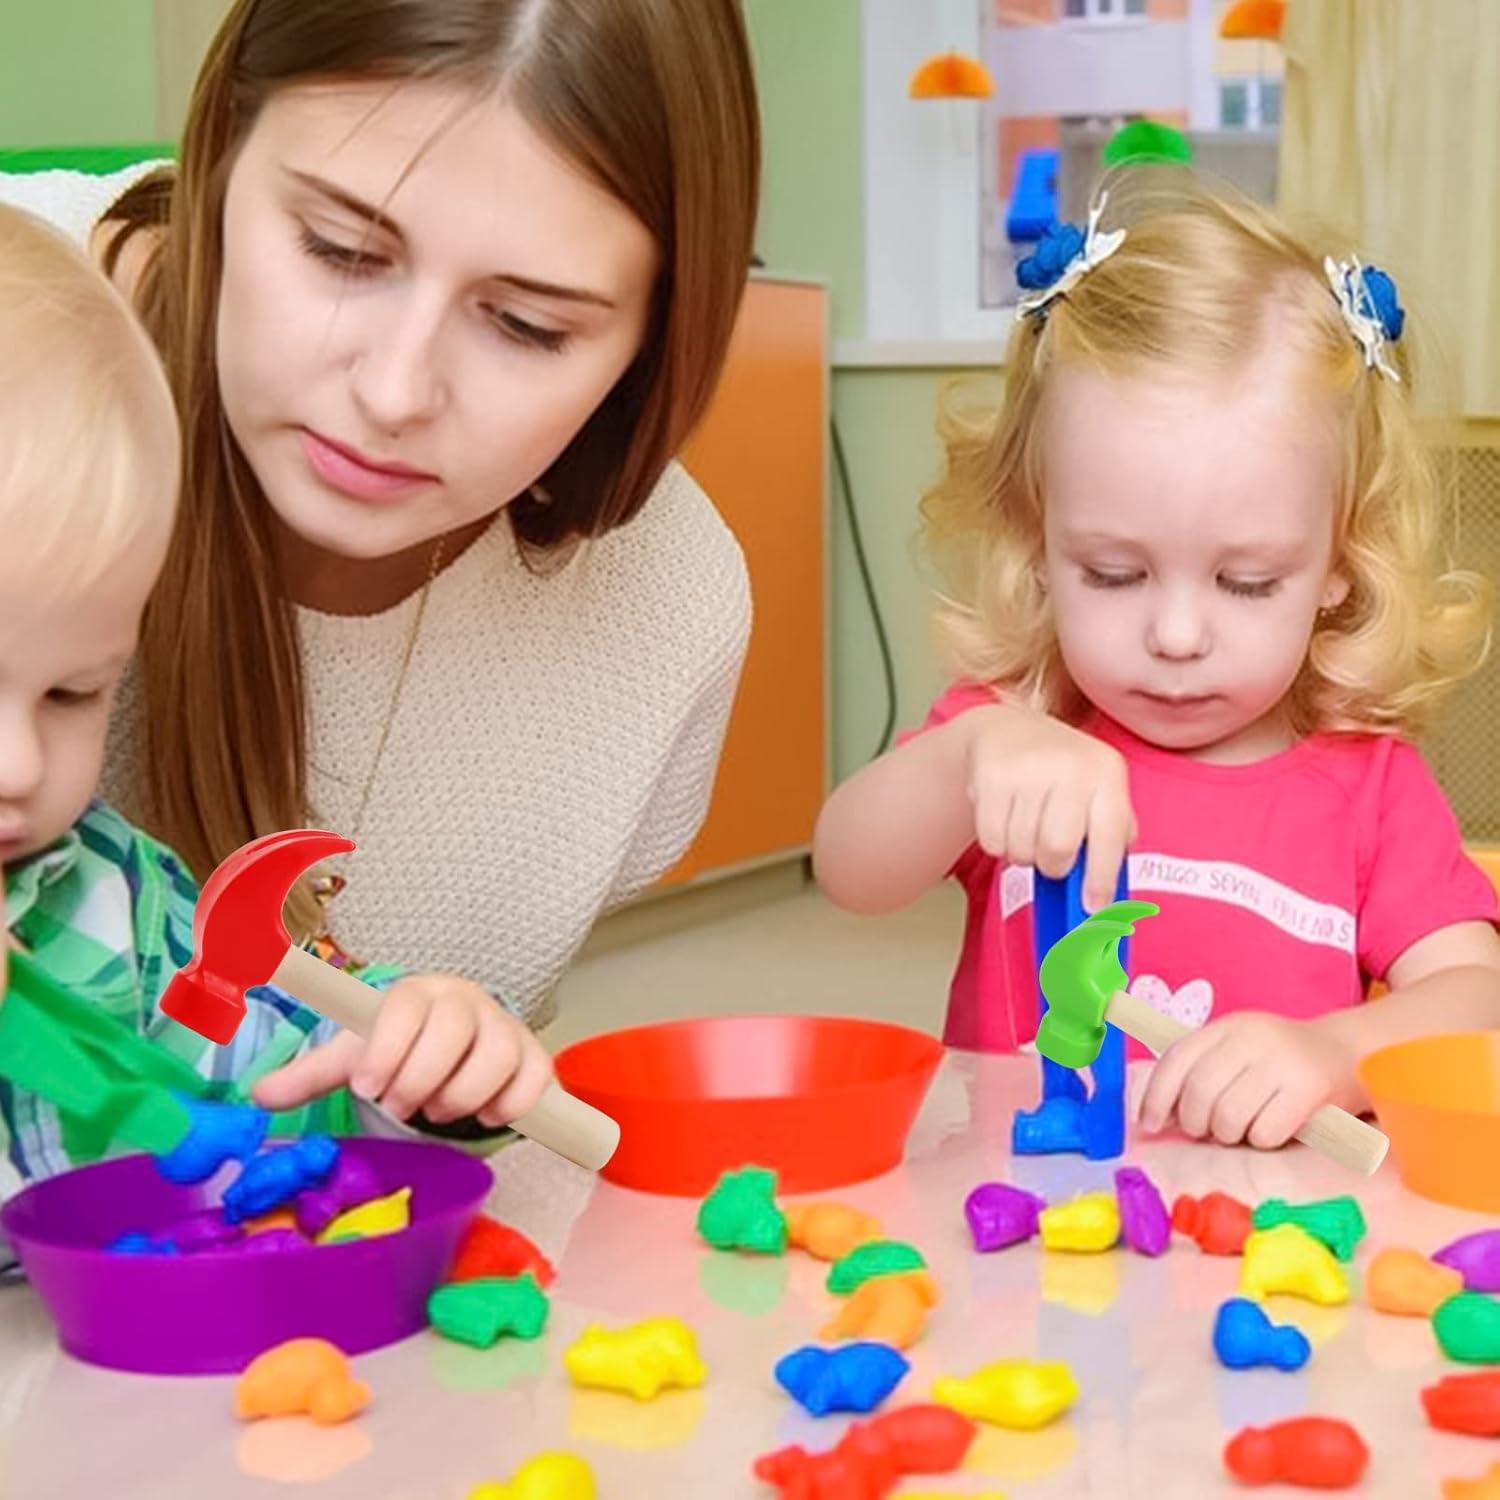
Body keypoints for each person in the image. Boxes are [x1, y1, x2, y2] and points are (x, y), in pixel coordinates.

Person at [23, 0, 758, 1095]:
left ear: (655, 336)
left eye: (525, 326)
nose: (393, 391)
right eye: (339, 249)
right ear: (220, 153)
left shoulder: (665, 607)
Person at [815, 172, 1500, 1151]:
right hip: (1025, 1239)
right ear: (1038, 543)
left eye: (1249, 582)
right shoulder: (1017, 728)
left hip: (1269, 1244)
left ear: (1340, 567)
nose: (1177, 636)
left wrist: (1334, 1052)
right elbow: (849, 870)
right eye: (1115, 571)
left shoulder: (1369, 782)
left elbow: (1476, 998)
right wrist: (968, 754)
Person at [0, 203, 548, 1222]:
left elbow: (285, 1100)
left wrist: (428, 1061)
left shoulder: (119, 901)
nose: (19, 764)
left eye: (74, 692)